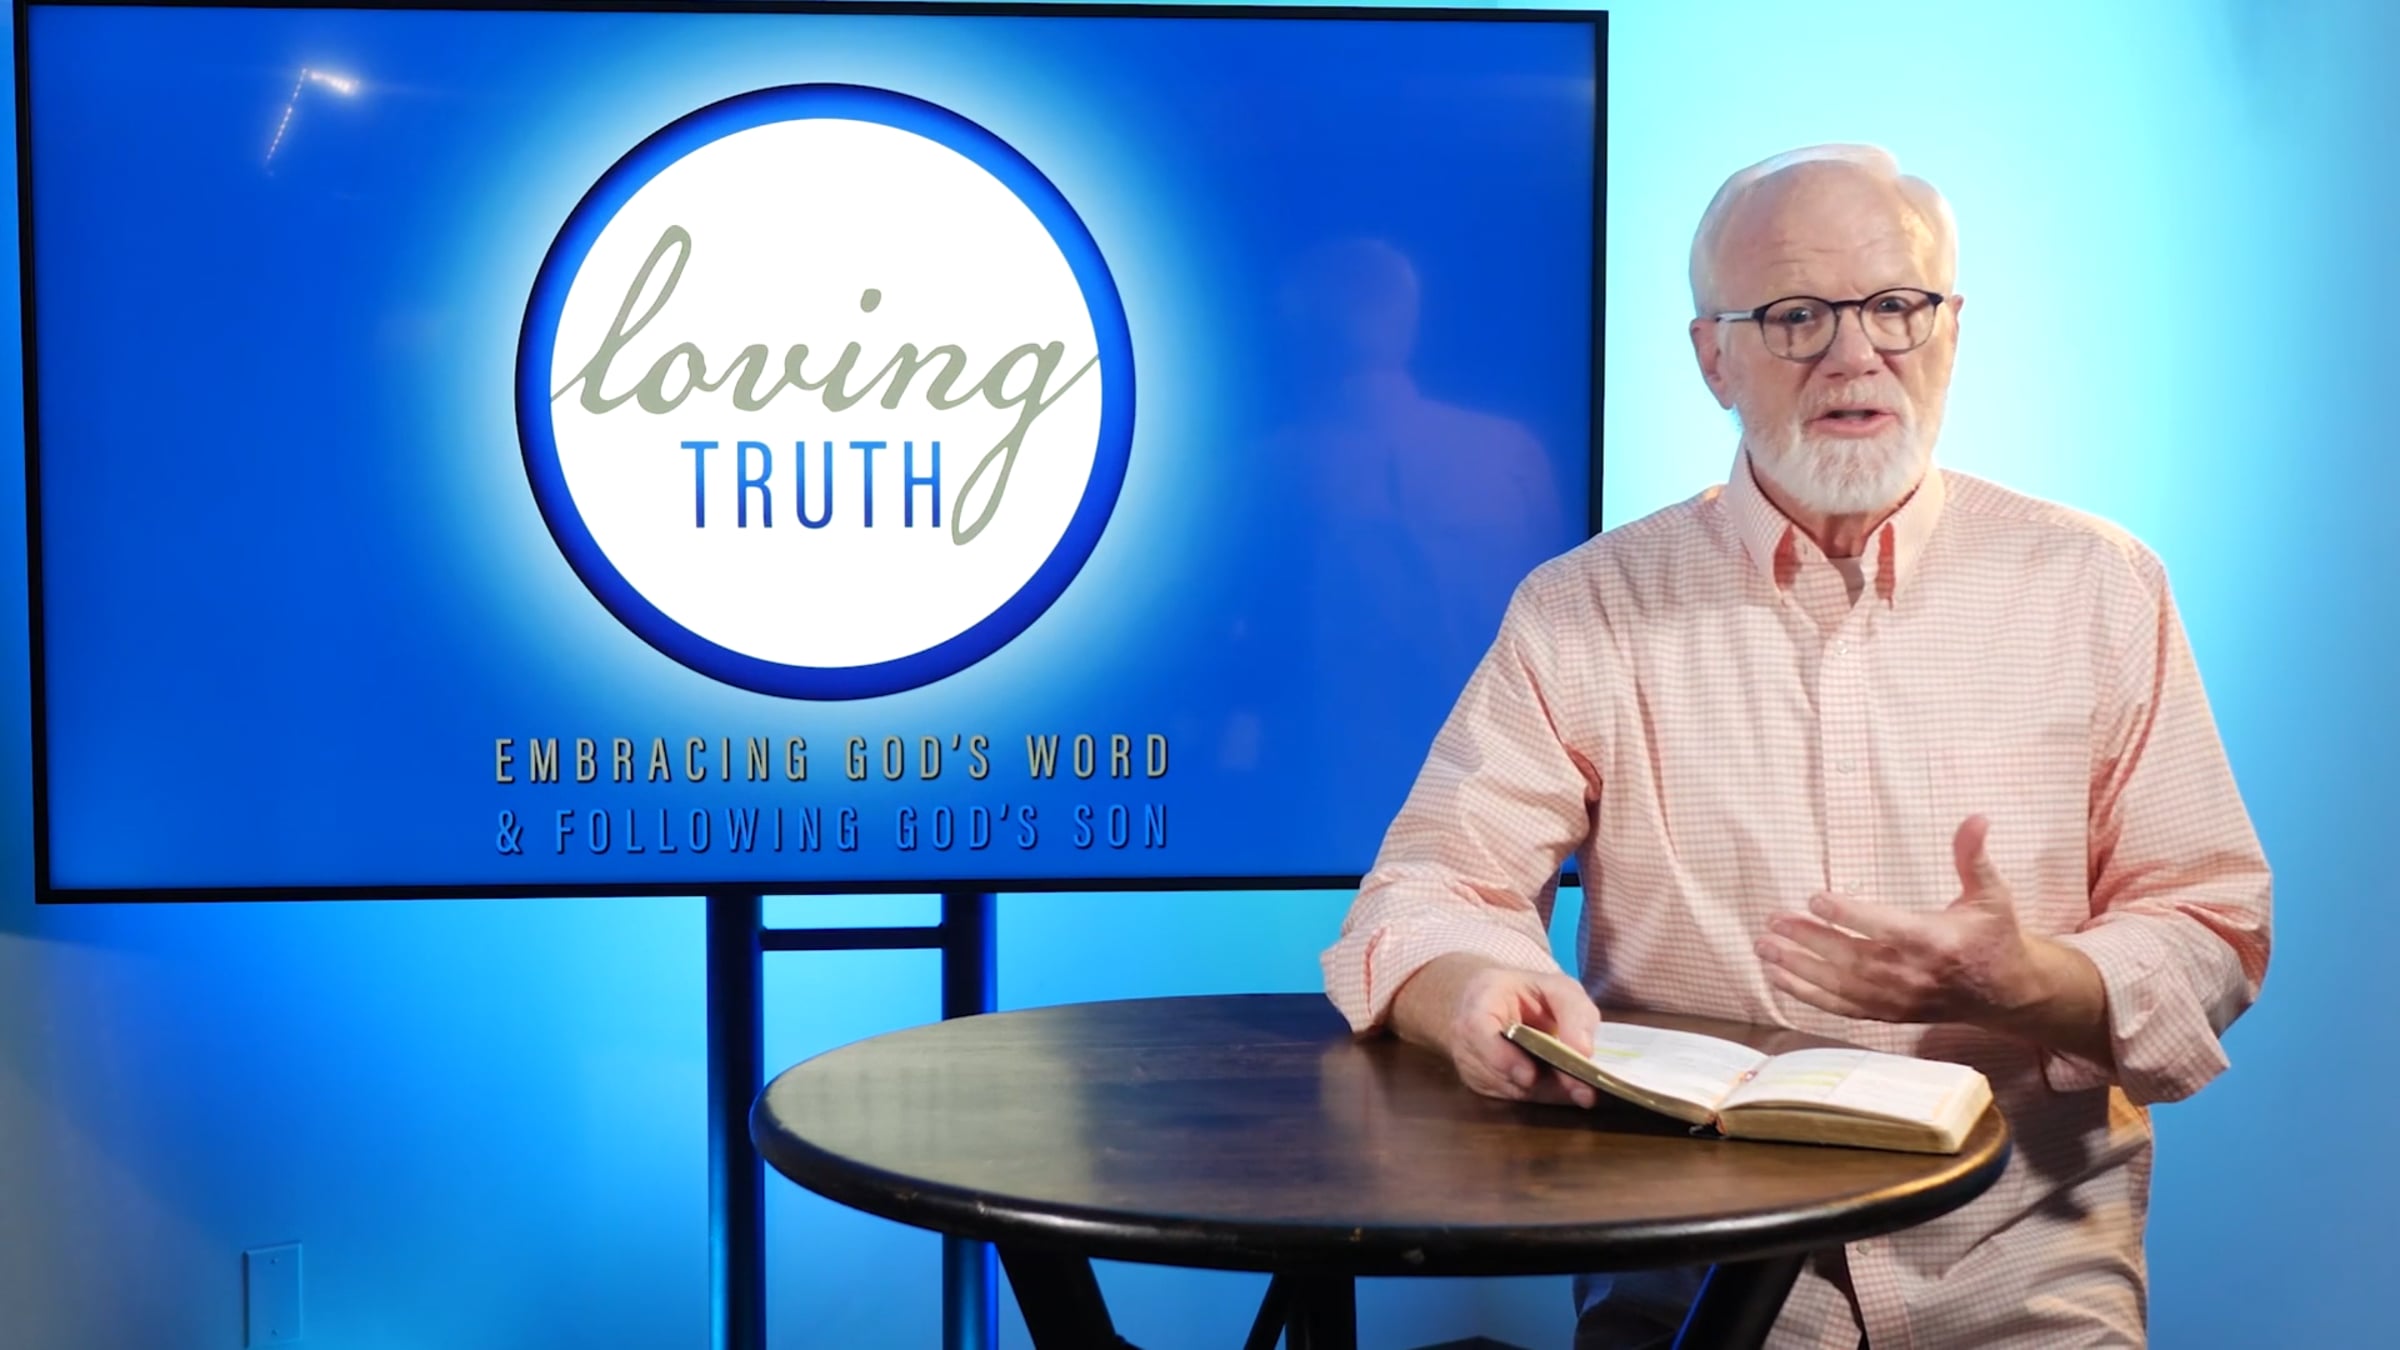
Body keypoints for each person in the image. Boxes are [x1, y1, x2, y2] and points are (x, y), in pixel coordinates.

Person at [1319, 144, 2272, 1349]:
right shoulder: (1584, 608)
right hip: (1690, 1288)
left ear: (1952, 330)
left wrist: (2024, 981)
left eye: (1896, 306)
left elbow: (2211, 924)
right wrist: (1472, 998)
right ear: (1711, 356)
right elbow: (1425, 894)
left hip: (2022, 1286)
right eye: (1796, 315)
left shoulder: (2099, 585)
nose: (1855, 353)